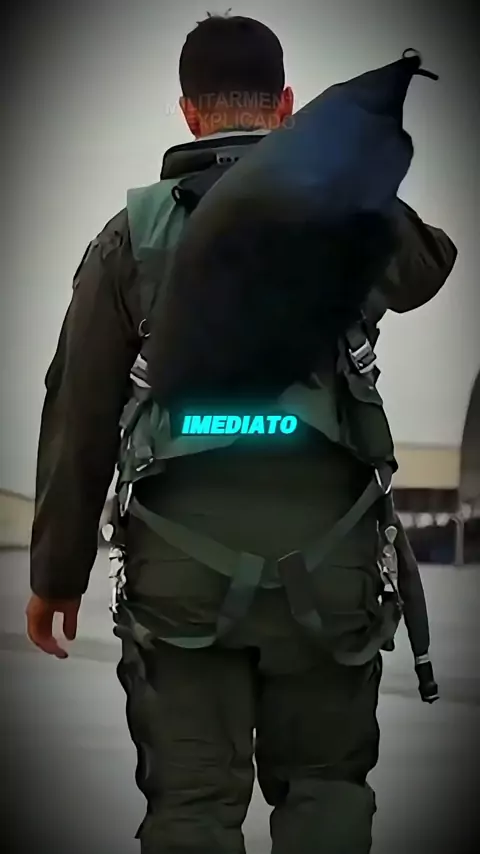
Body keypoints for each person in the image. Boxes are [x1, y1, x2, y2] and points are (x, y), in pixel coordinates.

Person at [26, 13, 457, 854]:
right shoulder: (342, 209)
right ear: (287, 104)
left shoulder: (129, 238)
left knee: (190, 806)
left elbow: (78, 413)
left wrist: (56, 576)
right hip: (331, 561)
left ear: (188, 112)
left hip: (178, 569)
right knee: (328, 790)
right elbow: (428, 265)